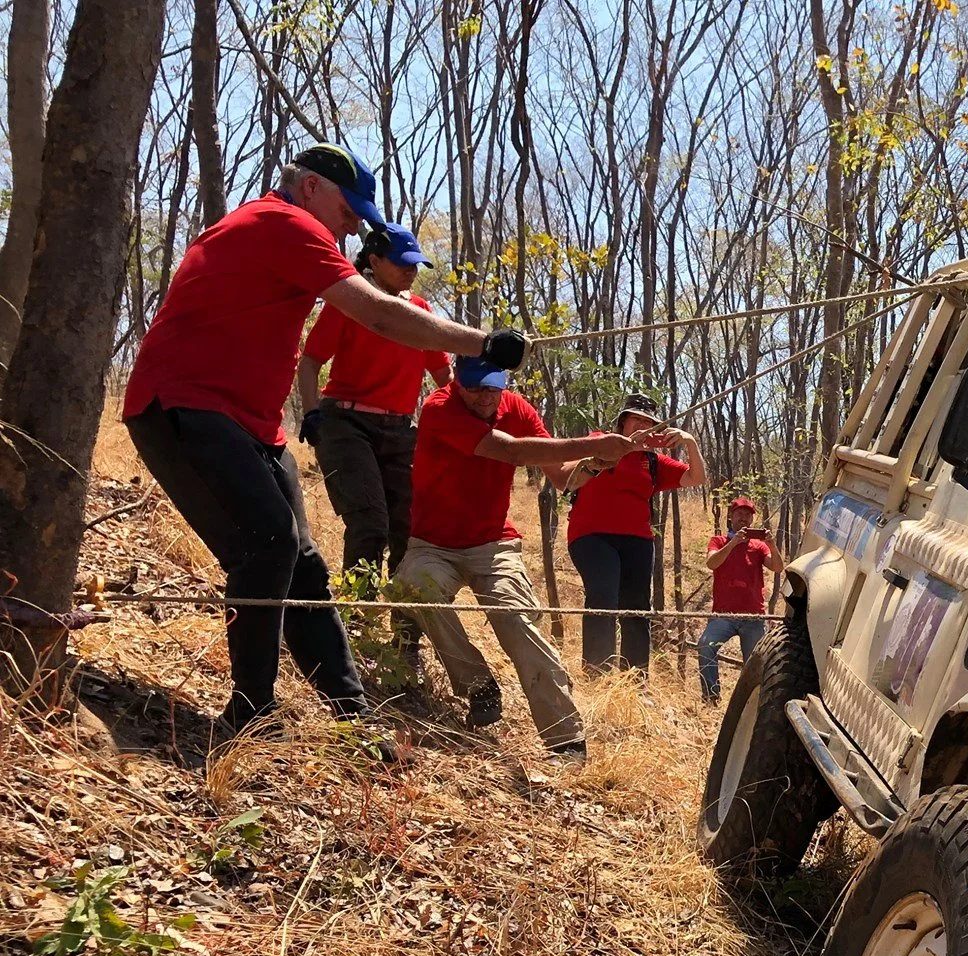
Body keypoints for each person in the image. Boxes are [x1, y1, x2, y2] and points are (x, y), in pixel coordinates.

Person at [124, 143, 522, 739]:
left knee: (303, 563)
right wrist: (482, 343)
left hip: (252, 424)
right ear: (310, 187)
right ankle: (251, 713)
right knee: (268, 546)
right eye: (349, 209)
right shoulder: (283, 221)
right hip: (183, 405)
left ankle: (351, 714)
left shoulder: (284, 227)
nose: (355, 225)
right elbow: (378, 314)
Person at [397, 355, 639, 759]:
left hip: (493, 544)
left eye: (492, 388)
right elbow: (507, 450)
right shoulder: (439, 408)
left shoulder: (518, 409)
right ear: (456, 382)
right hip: (432, 544)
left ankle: (566, 739)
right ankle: (477, 685)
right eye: (474, 387)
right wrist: (593, 444)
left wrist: (597, 463)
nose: (484, 397)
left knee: (515, 618)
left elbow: (561, 476)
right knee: (417, 586)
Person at [296, 221, 449, 674]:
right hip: (346, 423)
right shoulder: (351, 303)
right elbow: (309, 362)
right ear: (375, 261)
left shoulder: (419, 312)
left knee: (409, 531)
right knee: (370, 524)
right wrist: (312, 413)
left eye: (416, 265)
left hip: (401, 430)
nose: (411, 272)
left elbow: (444, 376)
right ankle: (354, 632)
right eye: (402, 264)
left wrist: (459, 420)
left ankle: (405, 644)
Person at [562, 393, 706, 674]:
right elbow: (567, 474)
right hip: (592, 535)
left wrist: (690, 442)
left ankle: (636, 679)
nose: (642, 425)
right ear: (622, 422)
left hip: (638, 541)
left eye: (648, 422)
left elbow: (696, 477)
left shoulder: (652, 461)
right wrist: (610, 454)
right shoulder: (600, 441)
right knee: (603, 596)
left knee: (637, 607)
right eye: (635, 419)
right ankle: (597, 673)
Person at [699, 495, 783, 704]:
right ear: (731, 516)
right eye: (739, 514)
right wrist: (733, 543)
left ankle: (747, 706)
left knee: (754, 665)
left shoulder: (759, 546)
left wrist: (772, 545)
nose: (743, 518)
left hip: (753, 617)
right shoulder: (718, 541)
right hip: (723, 616)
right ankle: (711, 698)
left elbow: (777, 567)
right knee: (705, 646)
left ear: (752, 519)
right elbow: (711, 563)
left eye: (747, 515)